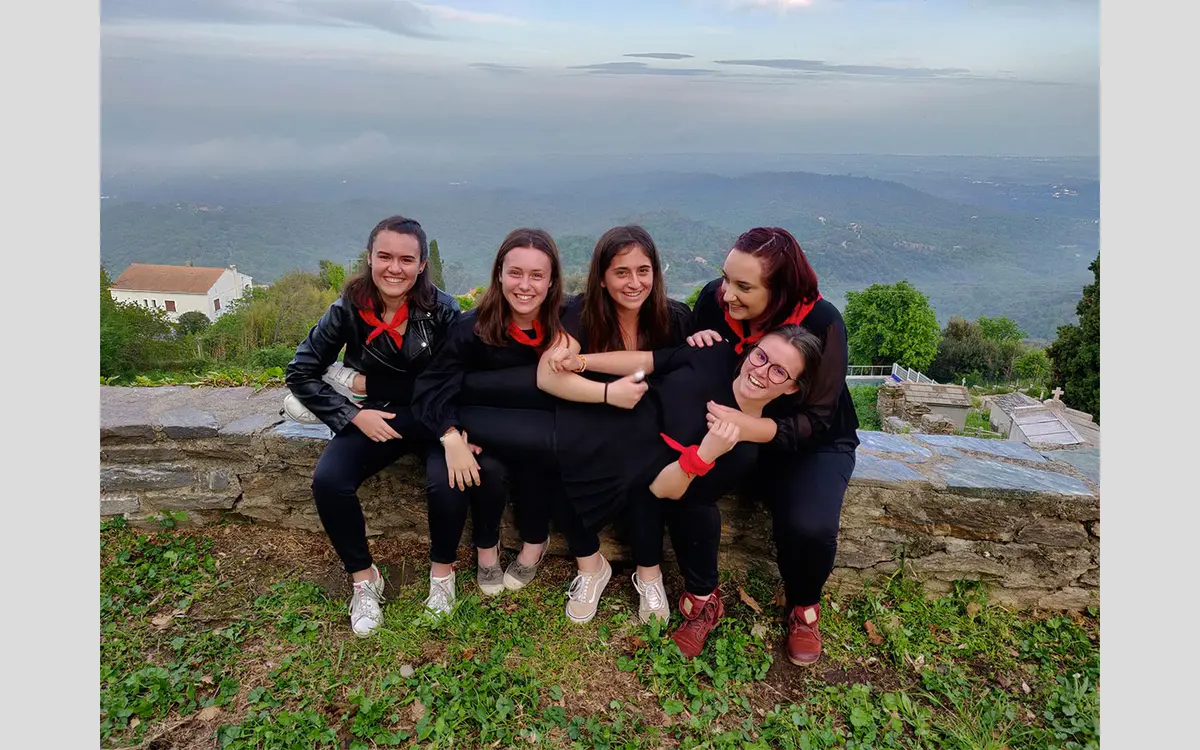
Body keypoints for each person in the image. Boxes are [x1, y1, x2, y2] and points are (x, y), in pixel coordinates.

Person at [539, 325, 822, 655]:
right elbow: (649, 361)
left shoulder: (742, 449)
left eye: (779, 372)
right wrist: (583, 361)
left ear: (791, 387)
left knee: (647, 493)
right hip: (615, 422)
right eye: (761, 356)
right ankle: (594, 565)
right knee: (547, 451)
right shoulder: (714, 354)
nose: (761, 371)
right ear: (751, 350)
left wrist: (705, 453)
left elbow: (664, 490)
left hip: (644, 478)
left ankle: (659, 581)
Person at [686, 226, 860, 666]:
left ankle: (803, 605)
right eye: (726, 278)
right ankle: (702, 596)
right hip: (731, 422)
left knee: (810, 525)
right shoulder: (714, 301)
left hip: (809, 439)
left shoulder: (822, 322)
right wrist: (695, 345)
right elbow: (695, 364)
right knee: (688, 483)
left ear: (780, 290)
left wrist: (750, 427)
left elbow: (818, 418)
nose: (727, 294)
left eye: (744, 287)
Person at [284, 215, 461, 637]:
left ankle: (442, 576)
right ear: (369, 258)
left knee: (448, 481)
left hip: (432, 416)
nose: (394, 268)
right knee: (330, 481)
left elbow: (452, 381)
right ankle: (364, 580)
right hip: (374, 416)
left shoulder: (443, 311)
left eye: (406, 259)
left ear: (422, 265)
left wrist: (366, 384)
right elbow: (301, 370)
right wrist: (351, 414)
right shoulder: (348, 307)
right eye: (385, 256)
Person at [410, 227, 571, 616]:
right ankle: (487, 549)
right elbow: (432, 387)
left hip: (537, 432)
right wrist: (451, 436)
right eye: (515, 273)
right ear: (499, 274)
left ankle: (535, 542)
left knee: (538, 455)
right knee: (488, 467)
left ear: (552, 282)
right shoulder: (472, 328)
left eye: (537, 275)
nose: (525, 286)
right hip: (486, 435)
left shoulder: (568, 321)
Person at [550, 225, 693, 623]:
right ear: (602, 277)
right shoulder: (579, 314)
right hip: (595, 411)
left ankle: (649, 573)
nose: (634, 283)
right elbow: (554, 371)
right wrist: (599, 387)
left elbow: (689, 374)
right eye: (621, 272)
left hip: (651, 416)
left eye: (643, 271)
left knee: (647, 463)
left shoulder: (675, 317)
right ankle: (590, 564)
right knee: (558, 452)